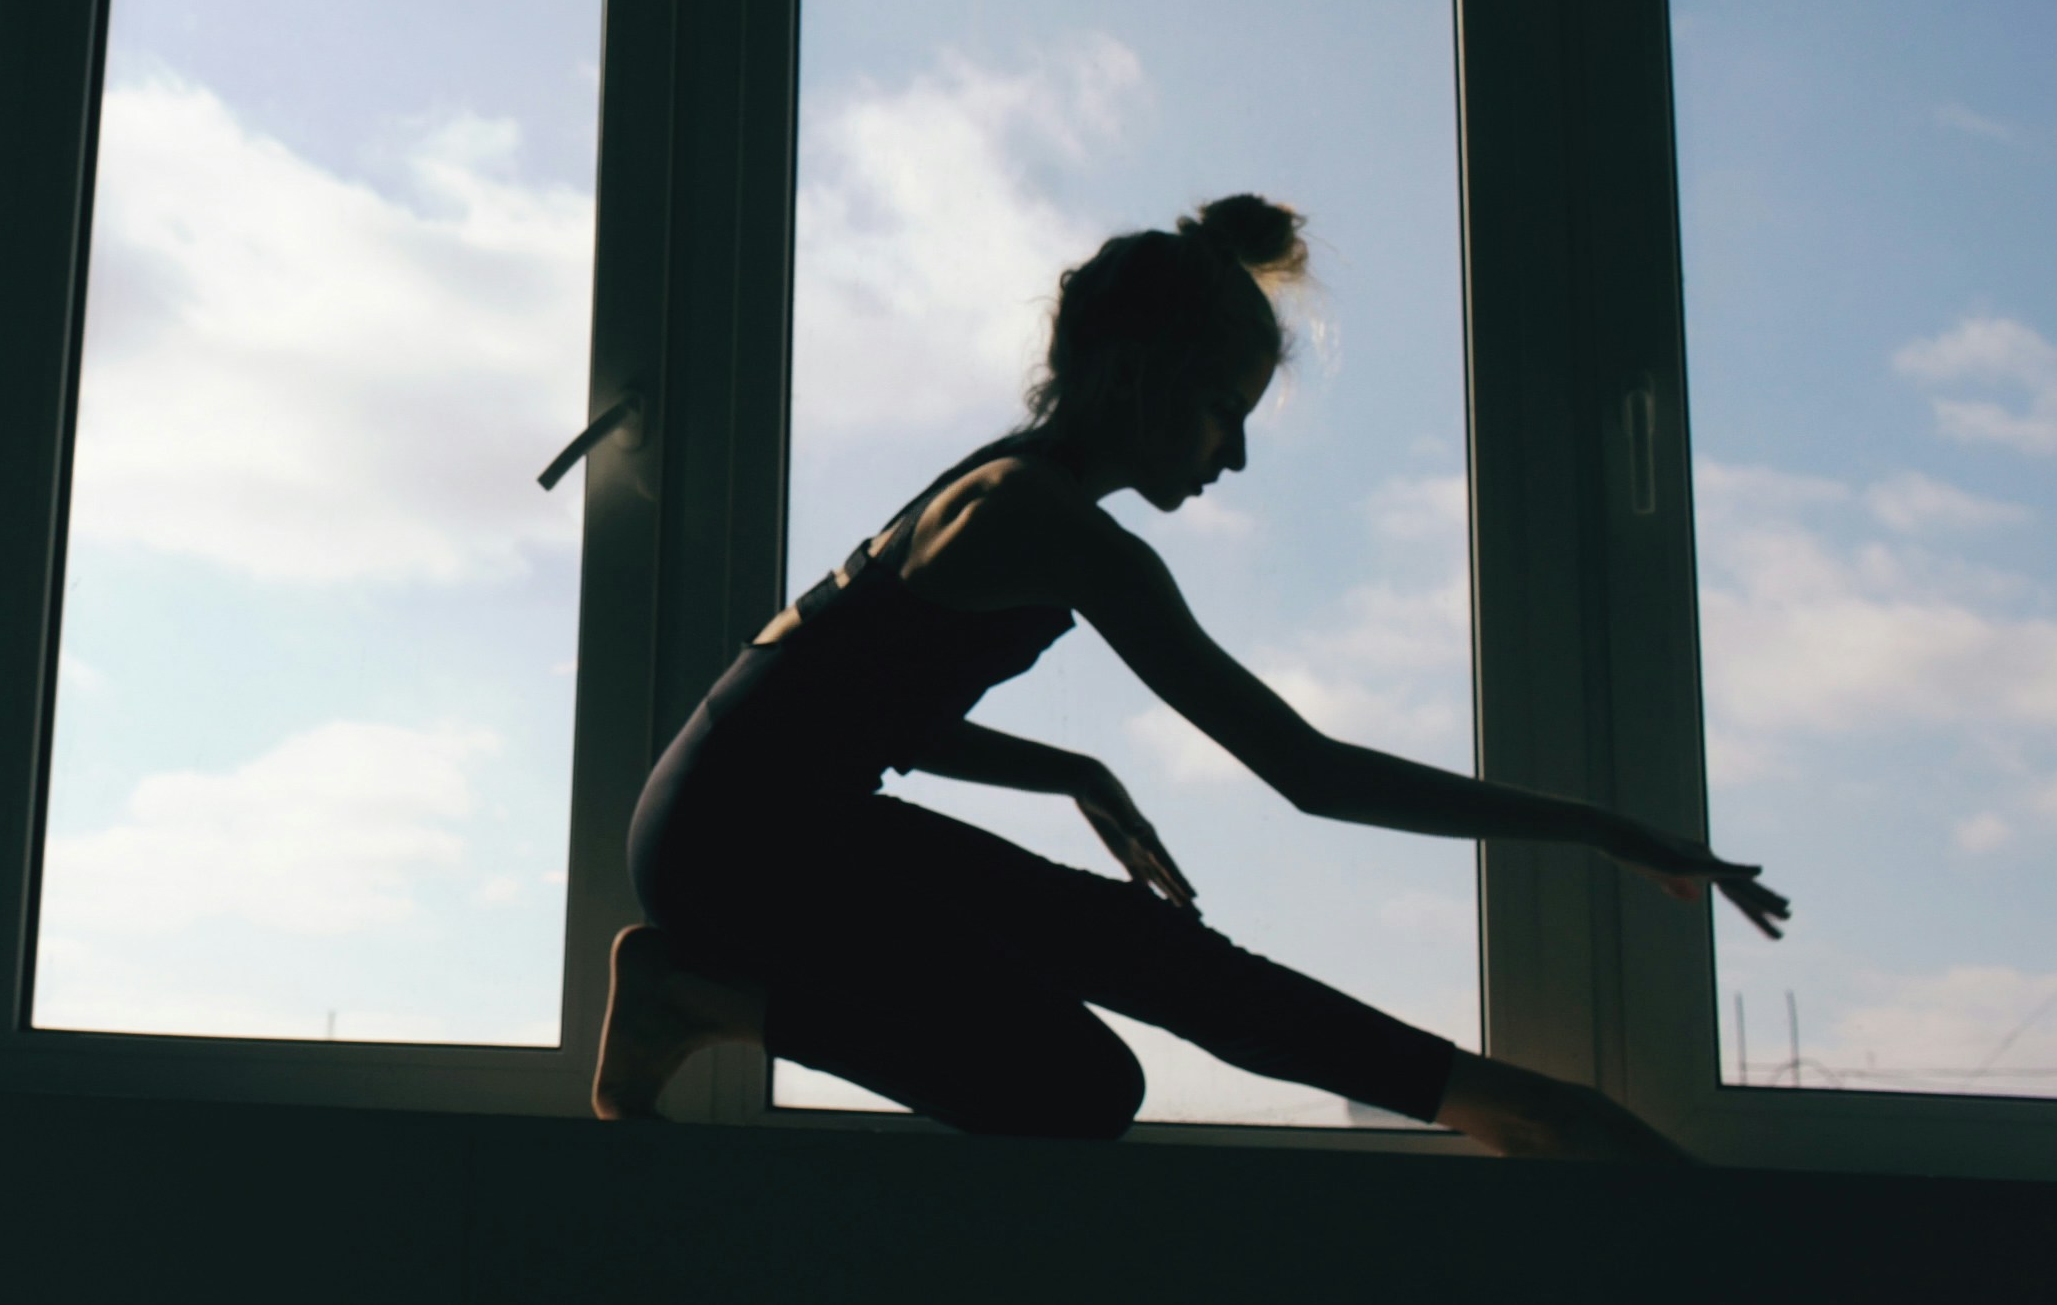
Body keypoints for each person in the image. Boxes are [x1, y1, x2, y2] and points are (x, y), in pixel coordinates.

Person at [591, 195, 1786, 1156]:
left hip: (758, 814)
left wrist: (1073, 767)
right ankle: (699, 1001)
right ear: (1142, 379)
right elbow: (1311, 774)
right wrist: (1599, 829)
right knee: (1076, 1084)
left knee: (1131, 949)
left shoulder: (1011, 491)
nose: (1240, 453)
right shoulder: (1044, 521)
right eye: (1227, 411)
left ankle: (1479, 1098)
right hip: (740, 845)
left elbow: (833, 705)